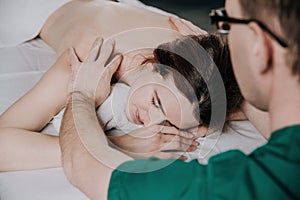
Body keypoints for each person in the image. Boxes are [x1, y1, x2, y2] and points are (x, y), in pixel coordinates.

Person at [59, 0, 300, 199]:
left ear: (259, 45)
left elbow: (85, 167)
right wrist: (214, 72)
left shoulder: (249, 185)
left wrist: (80, 95)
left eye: (227, 24)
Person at [0, 0, 266, 171]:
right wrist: (115, 144)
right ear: (149, 61)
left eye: (168, 122)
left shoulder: (197, 53)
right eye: (155, 101)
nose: (149, 123)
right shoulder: (88, 58)